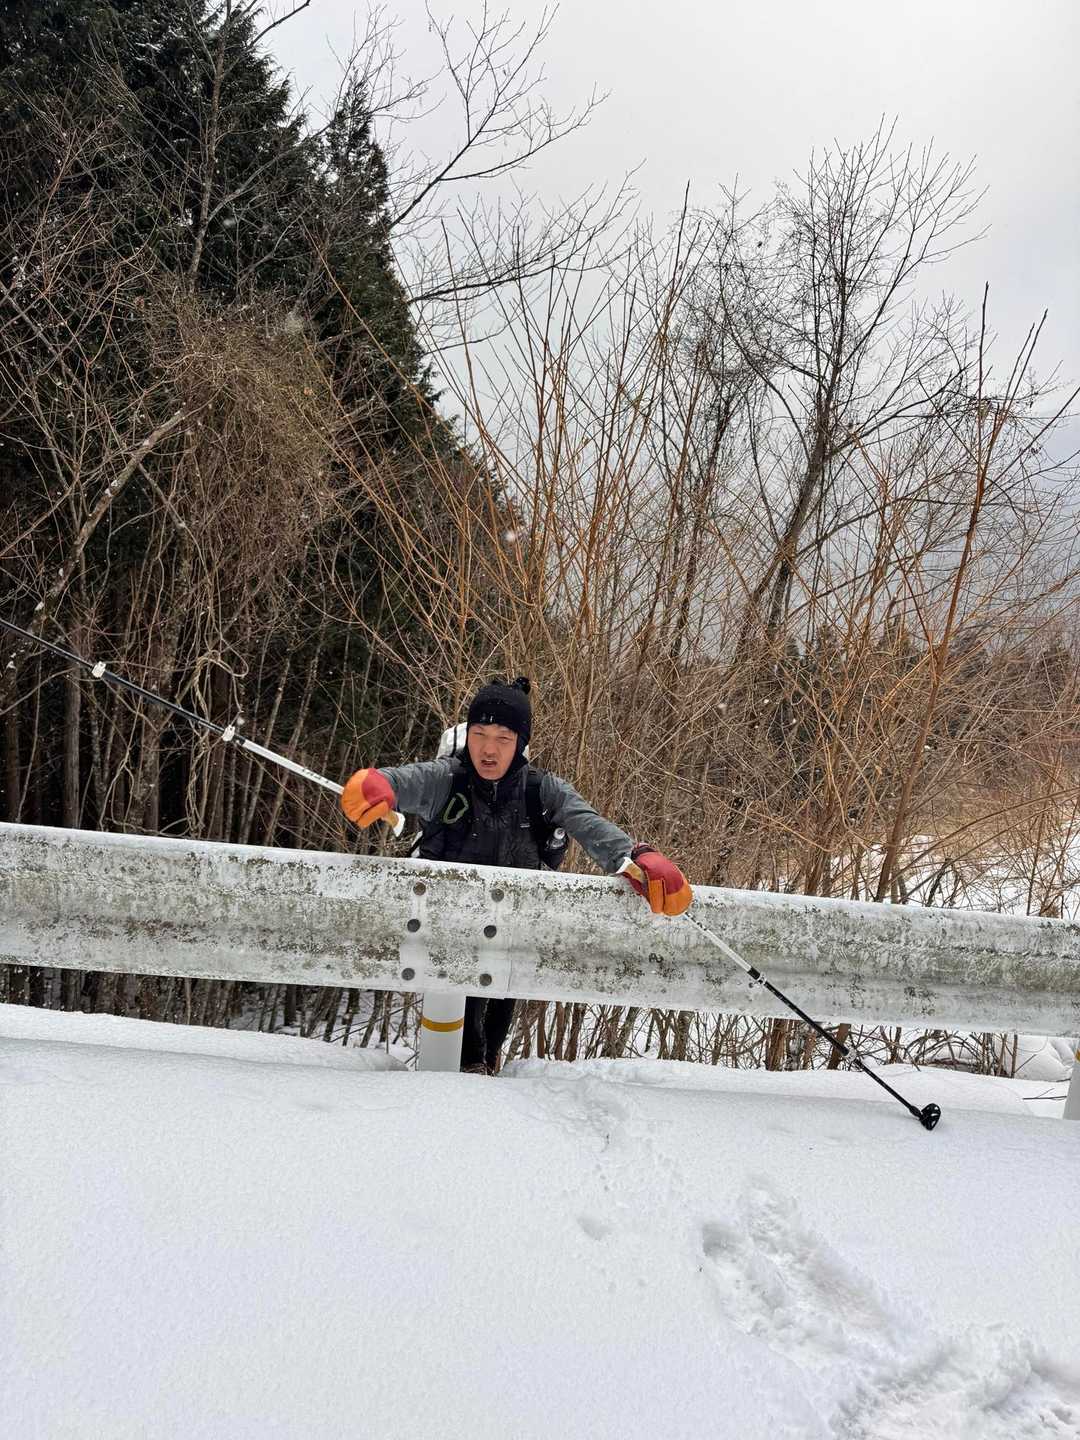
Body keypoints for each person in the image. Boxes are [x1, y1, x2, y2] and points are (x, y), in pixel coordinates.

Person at [340, 677, 692, 1073]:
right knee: (463, 1026)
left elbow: (589, 824)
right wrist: (376, 784)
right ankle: (468, 1069)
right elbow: (401, 781)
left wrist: (637, 856)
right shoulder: (447, 779)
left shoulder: (542, 791)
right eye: (479, 734)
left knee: (500, 1007)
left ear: (520, 743)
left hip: (514, 926)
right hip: (451, 927)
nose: (488, 749)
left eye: (503, 739)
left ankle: (486, 1063)